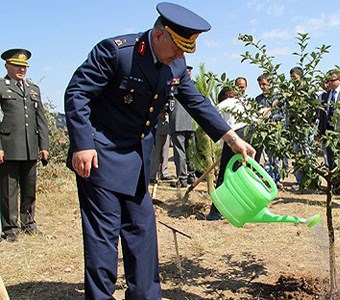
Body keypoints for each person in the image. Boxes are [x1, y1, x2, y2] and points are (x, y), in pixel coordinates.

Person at [64, 3, 255, 299]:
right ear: (158, 36)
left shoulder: (175, 65)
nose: (180, 57)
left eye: (185, 51)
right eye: (177, 49)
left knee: (142, 233)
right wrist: (83, 144)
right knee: (103, 238)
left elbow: (197, 102)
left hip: (137, 160)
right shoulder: (117, 52)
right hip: (100, 155)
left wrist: (231, 138)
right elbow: (77, 93)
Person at [0, 49, 49, 242]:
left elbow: (41, 119)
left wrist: (44, 146)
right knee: (8, 190)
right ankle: (10, 229)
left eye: (24, 67)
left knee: (30, 187)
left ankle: (28, 223)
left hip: (30, 146)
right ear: (7, 66)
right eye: (17, 66)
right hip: (9, 147)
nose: (22, 70)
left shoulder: (33, 89)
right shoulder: (2, 87)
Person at [208, 86, 248, 220]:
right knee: (240, 175)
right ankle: (236, 209)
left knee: (225, 175)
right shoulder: (243, 102)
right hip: (247, 136)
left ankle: (215, 212)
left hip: (234, 137)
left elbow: (217, 125)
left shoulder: (222, 105)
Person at [318, 69, 340, 196]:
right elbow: (322, 114)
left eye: (333, 80)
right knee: (332, 161)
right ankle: (337, 187)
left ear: (339, 80)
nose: (330, 83)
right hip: (329, 134)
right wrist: (320, 132)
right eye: (329, 80)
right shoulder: (326, 95)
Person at [170, 65, 198, 188]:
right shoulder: (194, 85)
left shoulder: (173, 84)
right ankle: (192, 176)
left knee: (180, 151)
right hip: (191, 122)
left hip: (177, 122)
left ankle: (182, 179)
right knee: (190, 151)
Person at [149, 101, 175, 184]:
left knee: (165, 151)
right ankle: (152, 175)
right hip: (157, 124)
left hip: (166, 125)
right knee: (156, 153)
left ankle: (164, 172)